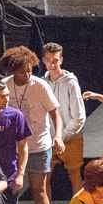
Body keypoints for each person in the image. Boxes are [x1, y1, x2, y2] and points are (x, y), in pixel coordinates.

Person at [0, 46, 64, 204]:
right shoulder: (4, 86)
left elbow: (56, 115)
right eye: (21, 71)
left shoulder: (41, 86)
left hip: (38, 146)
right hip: (13, 148)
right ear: (12, 70)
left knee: (40, 191)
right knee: (10, 192)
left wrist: (58, 135)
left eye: (29, 70)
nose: (27, 74)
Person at [41, 42, 87, 193]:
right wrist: (50, 137)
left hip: (71, 138)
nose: (52, 64)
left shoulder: (71, 83)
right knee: (44, 178)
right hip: (48, 140)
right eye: (48, 60)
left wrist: (61, 137)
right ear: (43, 60)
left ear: (61, 60)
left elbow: (79, 117)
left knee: (74, 176)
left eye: (55, 60)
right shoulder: (41, 83)